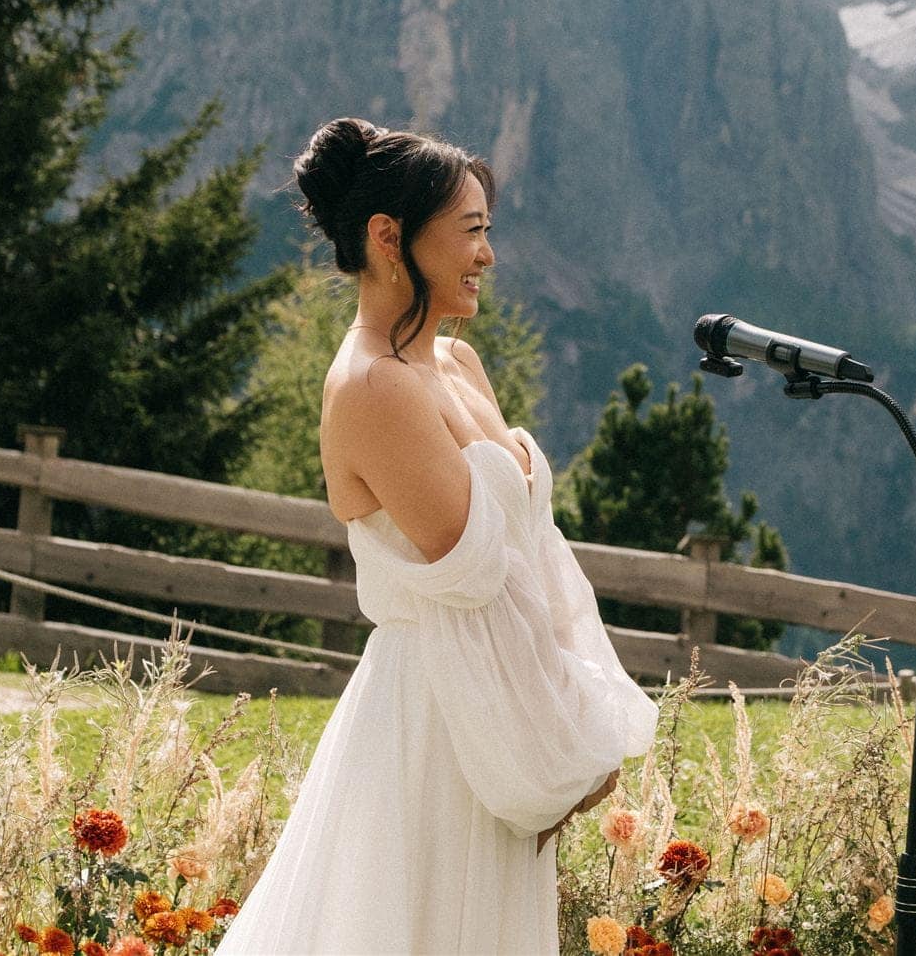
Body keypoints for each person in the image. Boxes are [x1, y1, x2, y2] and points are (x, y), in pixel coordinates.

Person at [216, 118, 658, 955]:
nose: (487, 254)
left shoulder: (456, 364)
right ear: (389, 237)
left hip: (500, 702)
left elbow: (541, 559)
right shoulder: (371, 385)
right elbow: (483, 579)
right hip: (439, 723)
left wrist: (577, 720)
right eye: (472, 230)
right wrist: (552, 753)